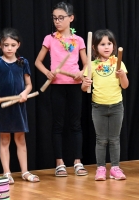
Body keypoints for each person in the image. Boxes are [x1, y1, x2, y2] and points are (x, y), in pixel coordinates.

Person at [0, 28, 39, 184]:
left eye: (13, 45)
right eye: (6, 45)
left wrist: (25, 93)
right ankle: (7, 172)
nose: (10, 48)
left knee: (20, 139)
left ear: (18, 45)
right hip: (2, 107)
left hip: (18, 107)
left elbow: (29, 84)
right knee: (4, 140)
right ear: (0, 45)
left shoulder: (23, 62)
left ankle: (25, 172)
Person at [35, 1, 88, 177]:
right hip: (57, 86)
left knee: (76, 124)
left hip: (74, 85)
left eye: (61, 18)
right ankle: (59, 162)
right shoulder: (49, 38)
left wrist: (81, 73)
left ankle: (78, 162)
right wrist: (47, 73)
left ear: (71, 18)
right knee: (57, 125)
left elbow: (87, 63)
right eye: (54, 18)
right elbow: (38, 62)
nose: (57, 21)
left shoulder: (78, 40)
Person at [82, 29, 129, 181]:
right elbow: (84, 88)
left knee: (115, 139)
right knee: (101, 140)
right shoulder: (91, 65)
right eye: (102, 44)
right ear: (95, 47)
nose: (107, 47)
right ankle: (101, 169)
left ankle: (115, 168)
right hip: (98, 107)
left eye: (109, 43)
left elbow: (125, 85)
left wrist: (122, 75)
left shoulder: (118, 63)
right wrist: (85, 83)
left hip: (116, 106)